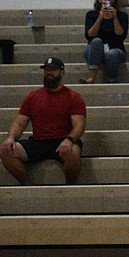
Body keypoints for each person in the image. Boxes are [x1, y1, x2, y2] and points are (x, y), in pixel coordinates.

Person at [0, 57, 85, 186]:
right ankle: (28, 185)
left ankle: (70, 186)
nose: (48, 73)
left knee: (73, 152)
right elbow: (19, 122)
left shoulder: (74, 97)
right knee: (6, 151)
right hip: (38, 142)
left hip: (62, 141)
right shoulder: (32, 97)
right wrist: (10, 138)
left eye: (53, 70)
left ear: (62, 73)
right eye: (46, 70)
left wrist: (69, 139)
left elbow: (79, 125)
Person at [82, 0, 129, 83]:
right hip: (94, 49)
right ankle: (92, 76)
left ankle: (112, 80)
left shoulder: (122, 16)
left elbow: (121, 35)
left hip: (115, 49)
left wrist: (115, 17)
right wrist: (100, 17)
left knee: (111, 54)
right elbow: (89, 35)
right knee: (96, 41)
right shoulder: (91, 15)